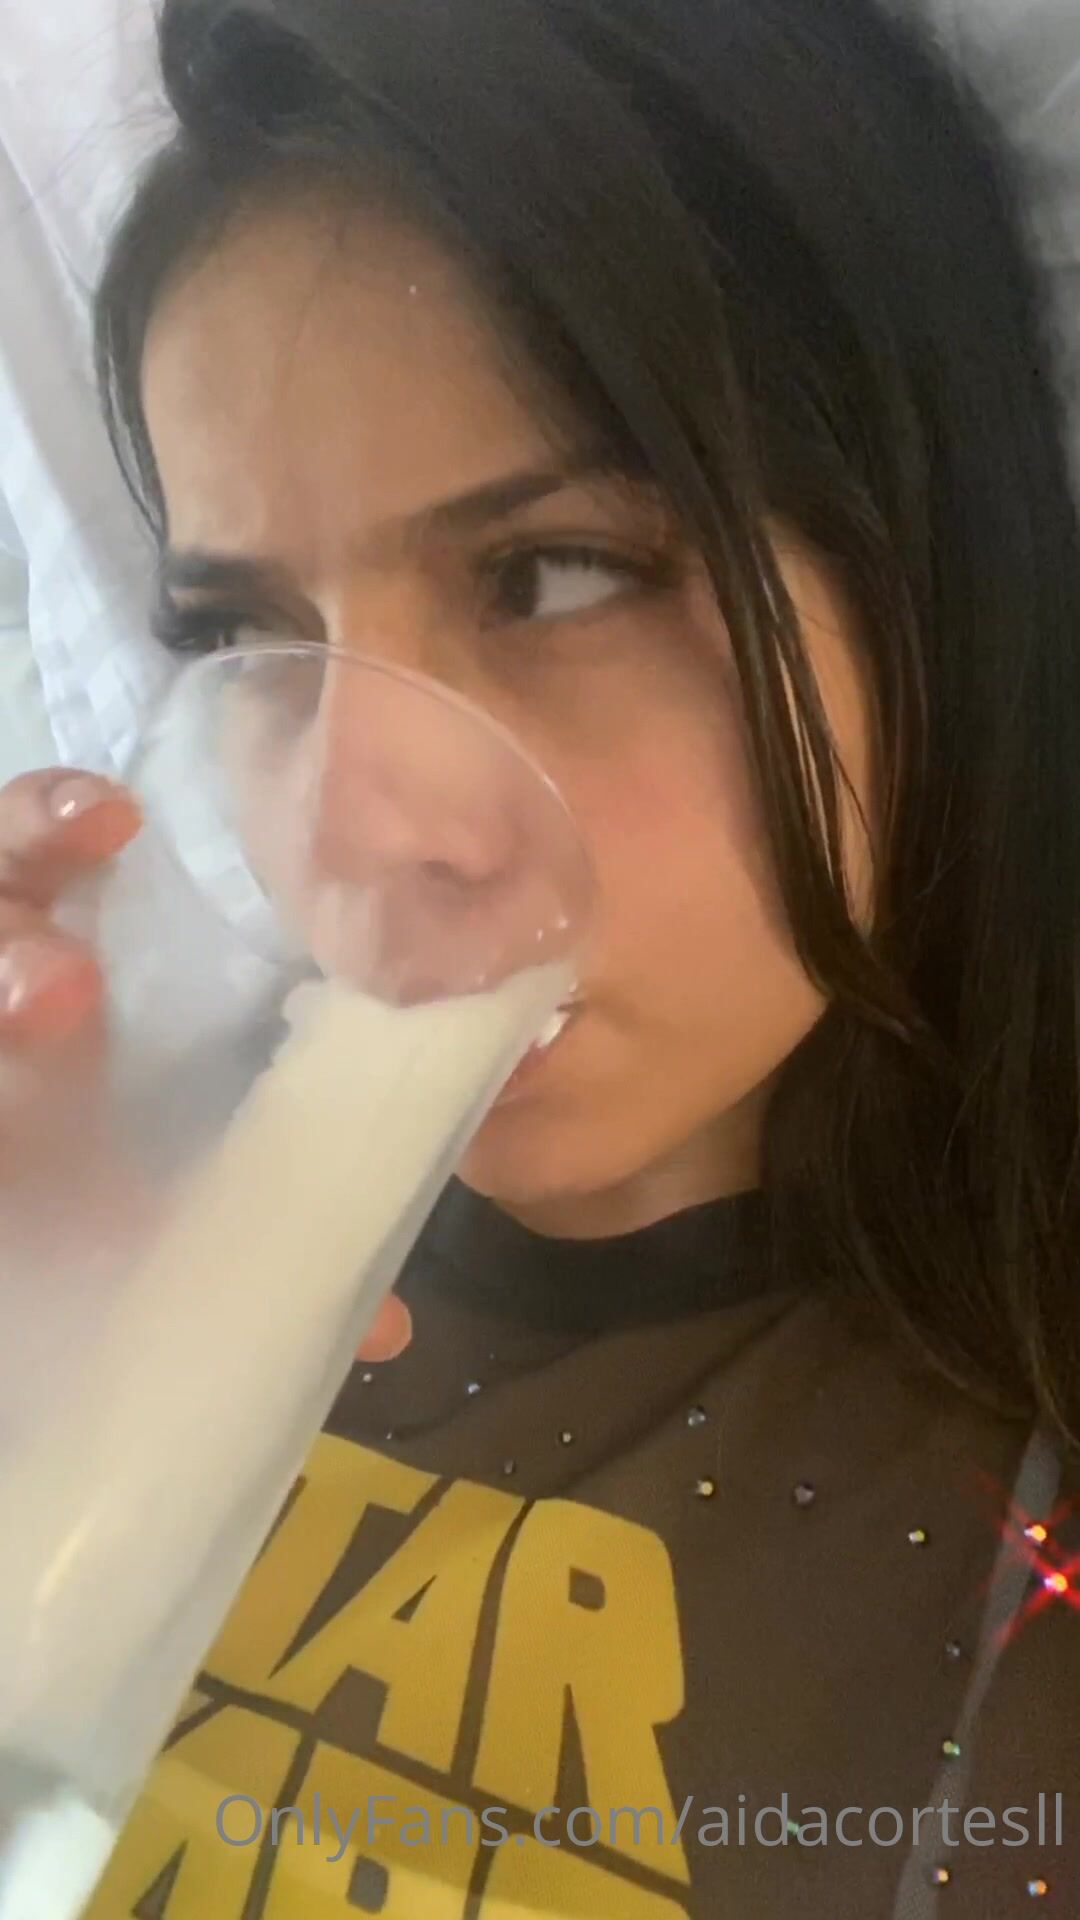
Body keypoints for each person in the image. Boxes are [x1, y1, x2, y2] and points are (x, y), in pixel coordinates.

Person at [2, 0, 1079, 1912]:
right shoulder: (99, 1213)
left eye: (557, 574)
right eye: (251, 636)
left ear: (928, 569)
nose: (351, 838)